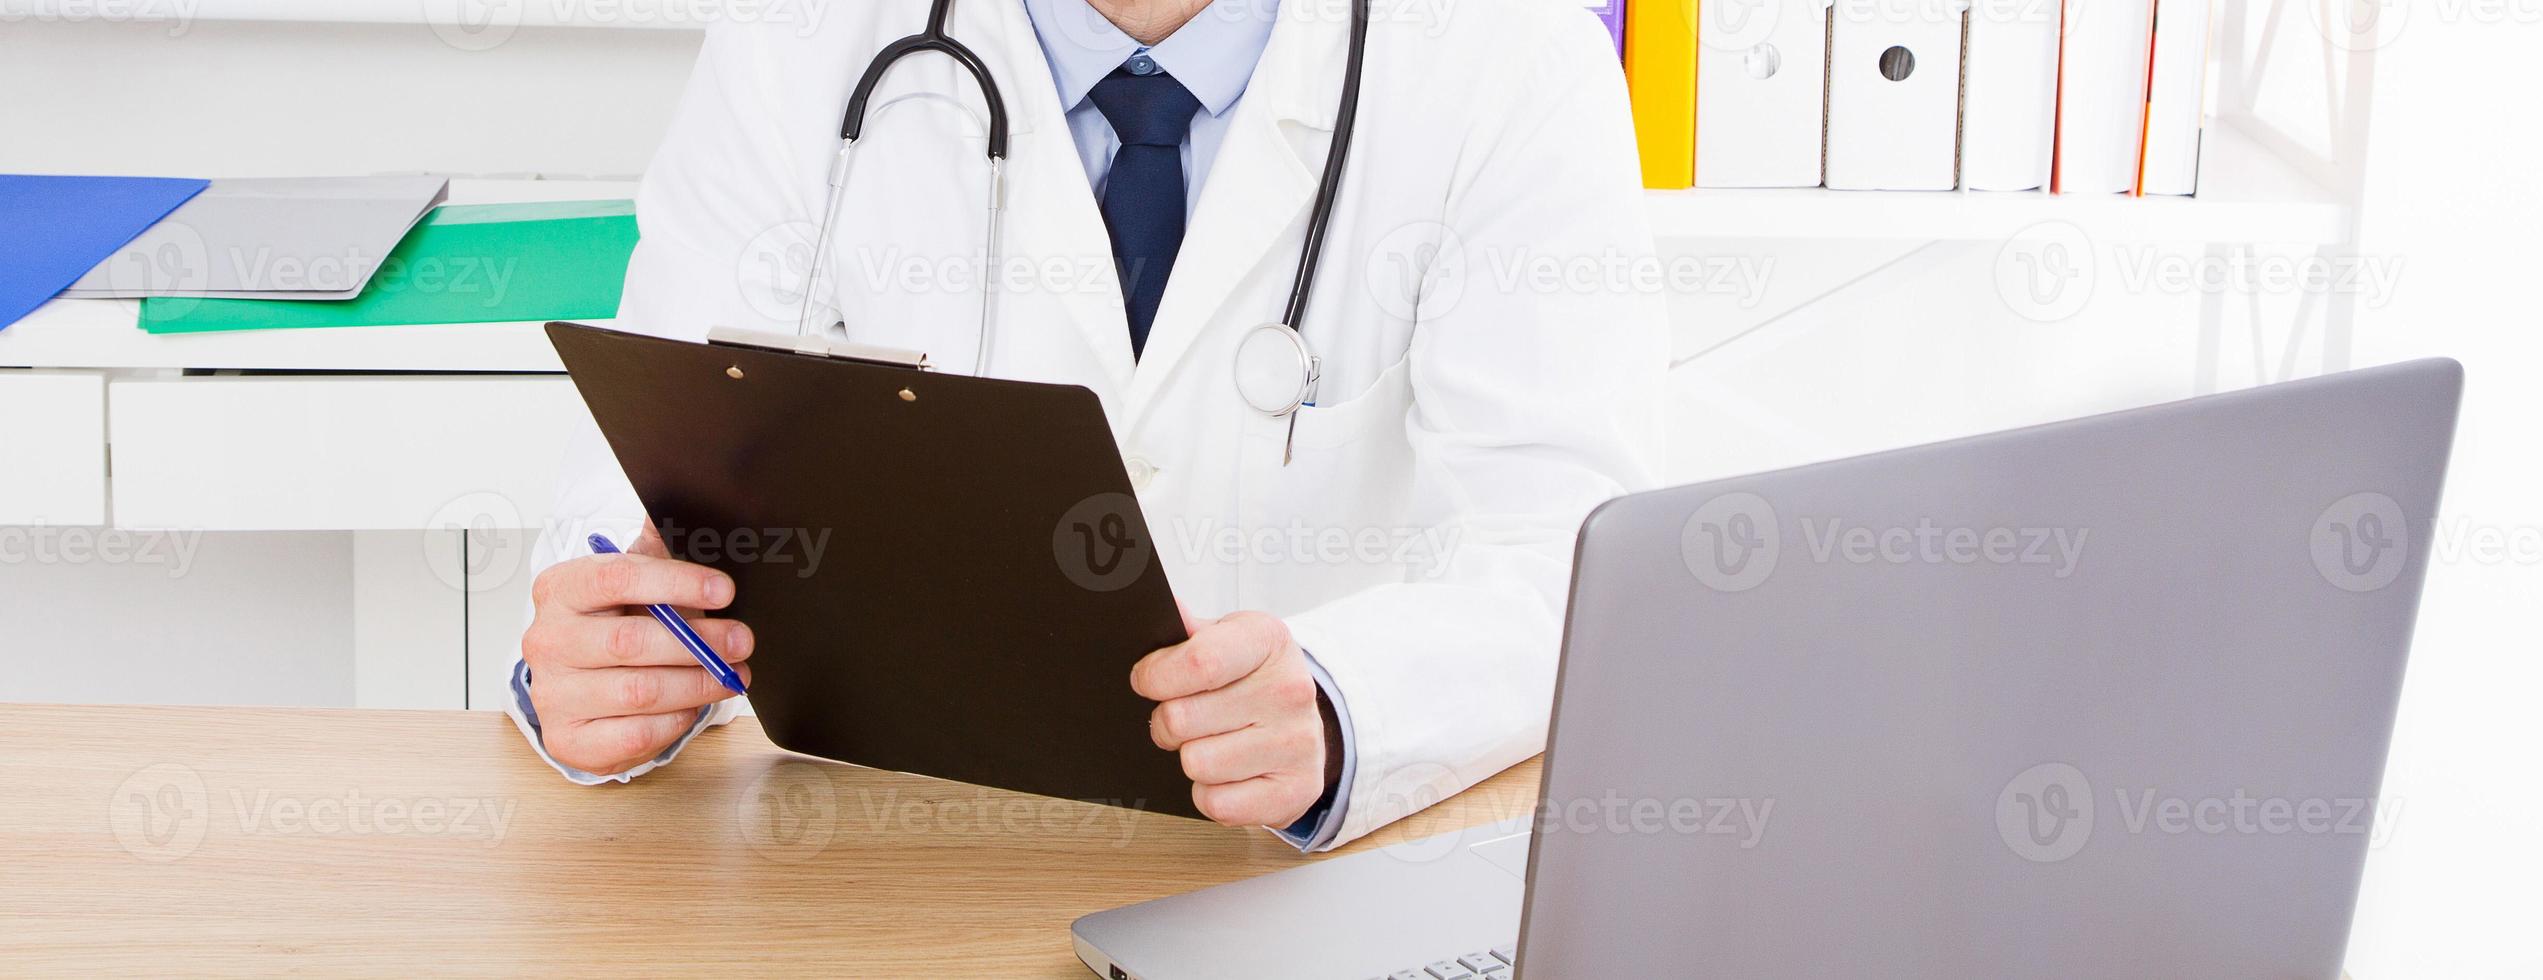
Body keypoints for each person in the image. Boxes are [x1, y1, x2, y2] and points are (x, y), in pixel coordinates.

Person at [508, 0, 1664, 852]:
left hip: (1315, 885)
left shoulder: (1505, 53)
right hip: (897, 870)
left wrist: (1338, 699)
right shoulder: (801, 41)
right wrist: (599, 670)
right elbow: (636, 494)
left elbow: (1572, 559)